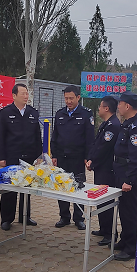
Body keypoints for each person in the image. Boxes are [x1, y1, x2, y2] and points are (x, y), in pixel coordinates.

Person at [0, 83, 42, 231]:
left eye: (27, 93)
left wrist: (39, 155)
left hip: (29, 157)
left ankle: (25, 216)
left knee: (27, 188)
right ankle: (6, 219)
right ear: (14, 96)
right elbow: (0, 136)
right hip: (12, 156)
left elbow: (37, 136)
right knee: (10, 188)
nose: (26, 96)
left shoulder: (33, 113)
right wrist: (0, 157)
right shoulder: (5, 112)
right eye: (23, 93)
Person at [51, 85, 95, 230]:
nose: (68, 101)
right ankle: (64, 217)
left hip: (78, 157)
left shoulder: (86, 114)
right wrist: (54, 155)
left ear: (78, 97)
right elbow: (55, 136)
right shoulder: (60, 114)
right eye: (66, 98)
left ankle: (78, 218)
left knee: (78, 187)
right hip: (62, 157)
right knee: (62, 186)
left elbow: (90, 138)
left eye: (71, 98)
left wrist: (88, 156)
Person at [112, 91, 137, 261]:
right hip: (121, 172)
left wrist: (129, 180)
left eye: (120, 104)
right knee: (124, 210)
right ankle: (125, 240)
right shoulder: (127, 124)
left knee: (130, 213)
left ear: (127, 106)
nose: (118, 106)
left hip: (129, 176)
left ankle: (131, 248)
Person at [86, 96, 121, 246]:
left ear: (106, 108)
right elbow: (96, 144)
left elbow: (104, 149)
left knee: (106, 201)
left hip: (107, 169)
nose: (99, 109)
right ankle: (103, 228)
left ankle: (110, 234)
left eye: (100, 106)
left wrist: (93, 161)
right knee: (100, 199)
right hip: (101, 167)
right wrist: (90, 158)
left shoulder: (113, 125)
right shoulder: (106, 124)